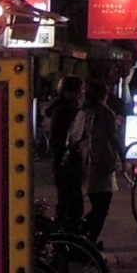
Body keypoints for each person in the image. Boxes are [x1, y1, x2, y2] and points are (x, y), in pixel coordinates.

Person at [70, 79, 121, 248]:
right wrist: (122, 157)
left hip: (84, 162)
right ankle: (88, 241)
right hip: (101, 161)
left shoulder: (82, 113)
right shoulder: (105, 113)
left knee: (97, 203)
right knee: (102, 204)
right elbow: (113, 138)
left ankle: (84, 238)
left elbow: (73, 138)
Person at [46, 75, 83, 227]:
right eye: (78, 91)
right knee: (70, 205)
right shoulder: (65, 110)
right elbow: (62, 139)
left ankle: (63, 233)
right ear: (68, 92)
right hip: (66, 162)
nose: (80, 95)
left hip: (62, 161)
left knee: (67, 202)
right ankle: (62, 235)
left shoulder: (60, 108)